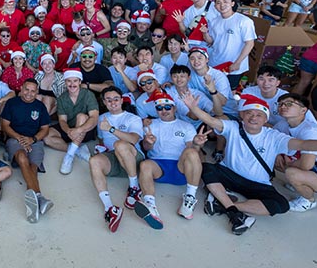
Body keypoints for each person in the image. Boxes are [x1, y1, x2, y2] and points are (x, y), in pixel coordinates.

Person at [182, 92, 317, 235]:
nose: (253, 118)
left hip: (258, 183)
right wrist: (193, 107)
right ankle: (231, 210)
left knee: (281, 205)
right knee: (207, 168)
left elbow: (304, 145)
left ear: (265, 118)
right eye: (249, 113)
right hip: (229, 174)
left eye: (259, 115)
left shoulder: (275, 136)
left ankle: (227, 205)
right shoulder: (233, 127)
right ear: (242, 115)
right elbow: (212, 120)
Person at [135, 93, 207, 229]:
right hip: (158, 167)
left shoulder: (186, 126)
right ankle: (150, 205)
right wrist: (148, 142)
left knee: (191, 151)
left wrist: (197, 144)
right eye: (160, 108)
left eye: (168, 107)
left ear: (174, 108)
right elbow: (145, 148)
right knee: (144, 165)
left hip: (180, 168)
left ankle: (189, 201)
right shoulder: (151, 125)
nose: (164, 111)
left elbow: (193, 154)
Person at [88, 86, 145, 233]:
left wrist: (112, 129)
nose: (113, 102)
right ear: (104, 103)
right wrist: (101, 149)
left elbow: (133, 139)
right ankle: (110, 208)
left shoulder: (133, 118)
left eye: (116, 99)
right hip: (113, 158)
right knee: (94, 161)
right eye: (109, 100)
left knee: (119, 144)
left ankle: (134, 187)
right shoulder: (102, 118)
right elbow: (101, 140)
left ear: (121, 100)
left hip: (133, 158)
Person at [0, 80, 53, 223]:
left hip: (34, 141)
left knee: (33, 167)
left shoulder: (40, 106)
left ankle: (34, 203)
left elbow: (45, 129)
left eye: (33, 91)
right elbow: (5, 125)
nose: (29, 93)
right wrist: (20, 138)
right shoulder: (12, 103)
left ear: (37, 92)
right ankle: (39, 197)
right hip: (14, 139)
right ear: (21, 89)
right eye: (26, 89)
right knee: (22, 158)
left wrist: (33, 140)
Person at [44, 69, 99, 175]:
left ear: (80, 82)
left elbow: (94, 117)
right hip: (70, 128)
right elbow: (62, 120)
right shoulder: (62, 98)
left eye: (75, 81)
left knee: (81, 116)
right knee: (47, 137)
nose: (72, 84)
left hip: (86, 130)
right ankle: (77, 150)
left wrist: (78, 130)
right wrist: (69, 130)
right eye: (69, 81)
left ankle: (69, 156)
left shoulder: (88, 94)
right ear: (65, 82)